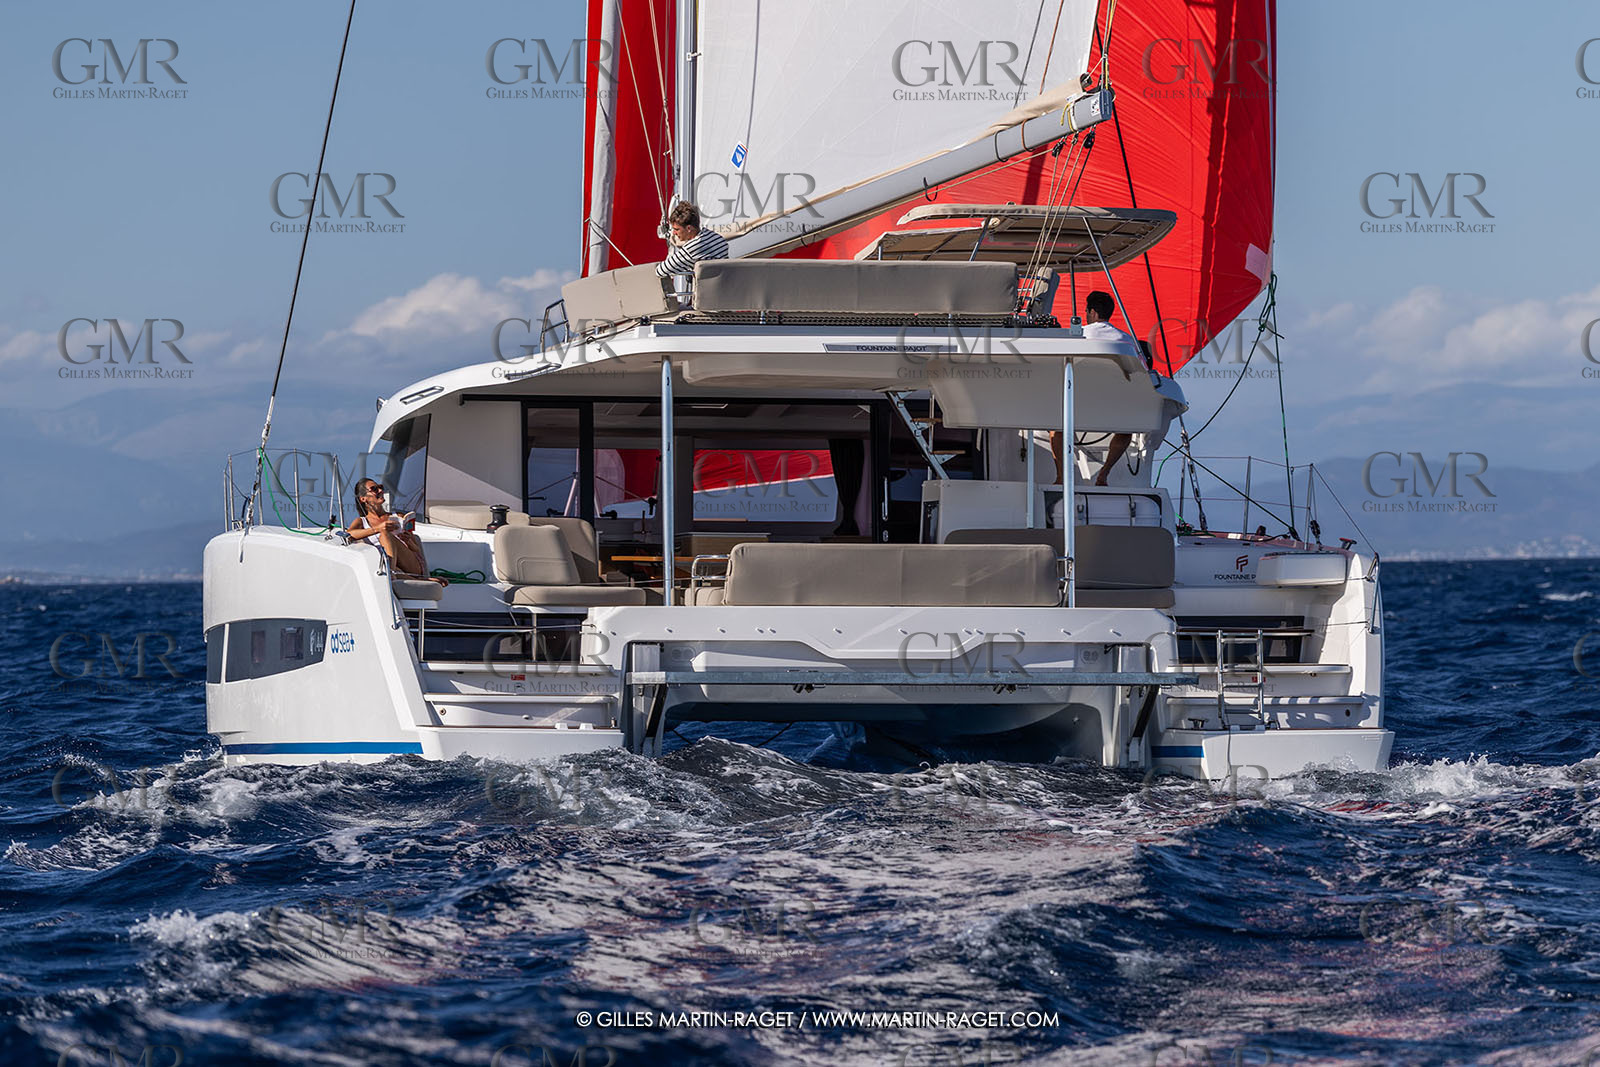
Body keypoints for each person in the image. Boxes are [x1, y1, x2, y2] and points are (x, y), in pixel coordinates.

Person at [1051, 291, 1136, 486]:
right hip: (1113, 410)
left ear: (1093, 313)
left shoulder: (1077, 336)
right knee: (1127, 431)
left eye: (1087, 311)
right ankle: (1104, 474)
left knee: (1055, 429)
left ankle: (1061, 477)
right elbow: (1138, 373)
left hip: (1077, 406)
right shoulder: (1127, 340)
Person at [348, 478, 448, 587]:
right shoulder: (361, 522)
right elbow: (349, 535)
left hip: (410, 564)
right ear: (363, 498)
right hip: (386, 564)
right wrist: (377, 528)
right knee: (382, 561)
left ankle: (390, 573)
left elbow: (416, 549)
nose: (380, 491)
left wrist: (408, 541)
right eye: (374, 489)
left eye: (380, 487)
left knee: (385, 534)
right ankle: (420, 580)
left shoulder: (399, 516)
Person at [655, 201, 729, 278]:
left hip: (703, 290)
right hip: (726, 288)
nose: (674, 233)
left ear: (689, 228)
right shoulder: (719, 239)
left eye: (677, 229)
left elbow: (660, 271)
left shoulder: (691, 249)